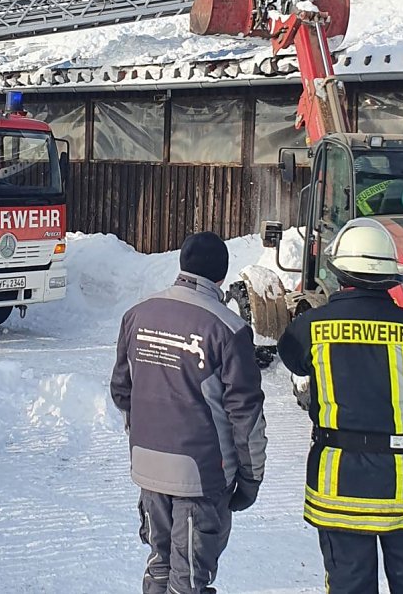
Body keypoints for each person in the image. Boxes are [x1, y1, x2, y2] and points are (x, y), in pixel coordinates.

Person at [277, 218, 403, 594]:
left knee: (349, 585)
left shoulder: (310, 327)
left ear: (340, 274)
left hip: (338, 485)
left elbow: (293, 358)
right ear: (389, 278)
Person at [110, 231, 267, 594]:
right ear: (221, 277)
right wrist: (251, 477)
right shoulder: (228, 329)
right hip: (202, 475)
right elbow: (246, 415)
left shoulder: (137, 315)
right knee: (191, 576)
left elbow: (121, 390)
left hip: (148, 467)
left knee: (160, 561)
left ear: (182, 266)